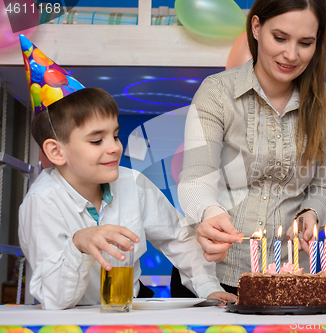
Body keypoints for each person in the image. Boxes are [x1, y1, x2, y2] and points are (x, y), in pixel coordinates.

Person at [17, 36, 235, 309]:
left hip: (125, 313)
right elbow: (55, 300)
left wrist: (208, 289)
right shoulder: (42, 203)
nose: (114, 148)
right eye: (97, 140)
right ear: (56, 152)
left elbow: (180, 240)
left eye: (116, 136)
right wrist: (78, 244)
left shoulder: (133, 183)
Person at [177, 0, 326, 293]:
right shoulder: (217, 92)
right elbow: (195, 179)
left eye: (305, 43)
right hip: (211, 274)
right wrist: (209, 213)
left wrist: (312, 212)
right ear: (256, 27)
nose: (291, 54)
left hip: (289, 276)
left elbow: (325, 187)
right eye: (279, 38)